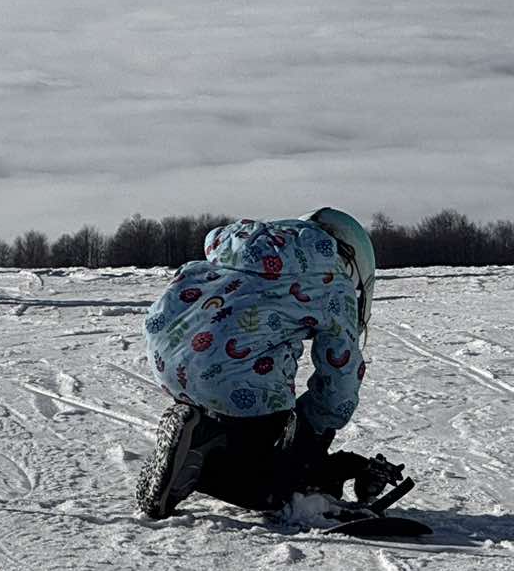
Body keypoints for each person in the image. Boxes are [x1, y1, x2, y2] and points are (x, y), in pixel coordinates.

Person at [135, 208, 402, 519]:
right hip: (235, 383)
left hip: (171, 367)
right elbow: (339, 377)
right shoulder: (331, 281)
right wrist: (314, 433)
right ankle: (203, 457)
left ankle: (199, 441)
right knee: (272, 488)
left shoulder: (231, 252)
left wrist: (348, 465)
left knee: (239, 412)